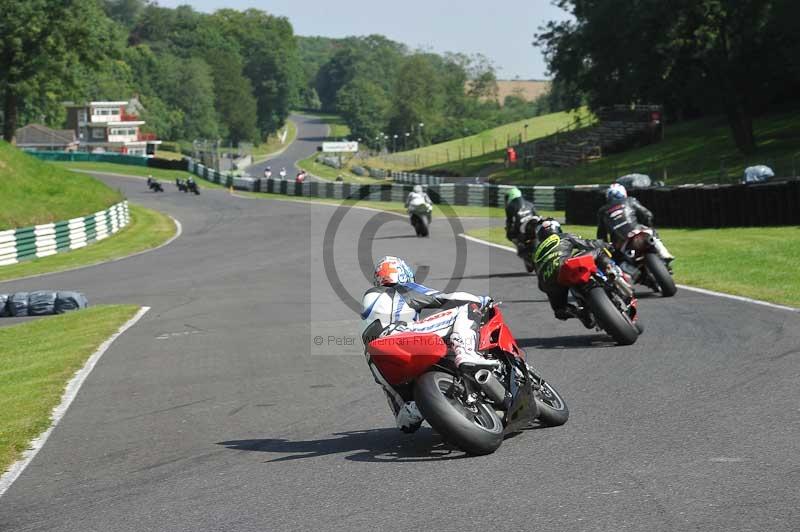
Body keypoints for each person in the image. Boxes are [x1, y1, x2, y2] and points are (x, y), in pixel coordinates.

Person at [361, 256, 497, 432]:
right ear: (403, 274)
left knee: (402, 415)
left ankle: (410, 410)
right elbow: (444, 298)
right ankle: (467, 353)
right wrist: (482, 300)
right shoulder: (401, 289)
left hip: (375, 358)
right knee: (467, 307)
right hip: (399, 335)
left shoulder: (368, 309)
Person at [533, 219, 612, 324]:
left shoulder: (535, 252)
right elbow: (588, 244)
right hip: (566, 267)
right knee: (599, 250)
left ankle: (579, 313)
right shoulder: (564, 236)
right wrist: (608, 245)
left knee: (560, 310)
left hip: (548, 282)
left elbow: (538, 275)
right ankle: (610, 270)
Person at [596, 183, 673, 261]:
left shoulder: (602, 211)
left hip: (619, 243)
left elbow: (601, 234)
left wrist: (607, 248)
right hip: (636, 231)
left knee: (617, 259)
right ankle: (664, 253)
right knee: (652, 232)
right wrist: (647, 225)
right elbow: (647, 215)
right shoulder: (630, 200)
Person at [504, 187, 541, 271]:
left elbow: (509, 222)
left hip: (523, 230)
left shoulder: (510, 206)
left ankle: (523, 251)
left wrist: (509, 233)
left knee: (512, 236)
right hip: (535, 226)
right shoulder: (530, 204)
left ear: (511, 196)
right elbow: (537, 215)